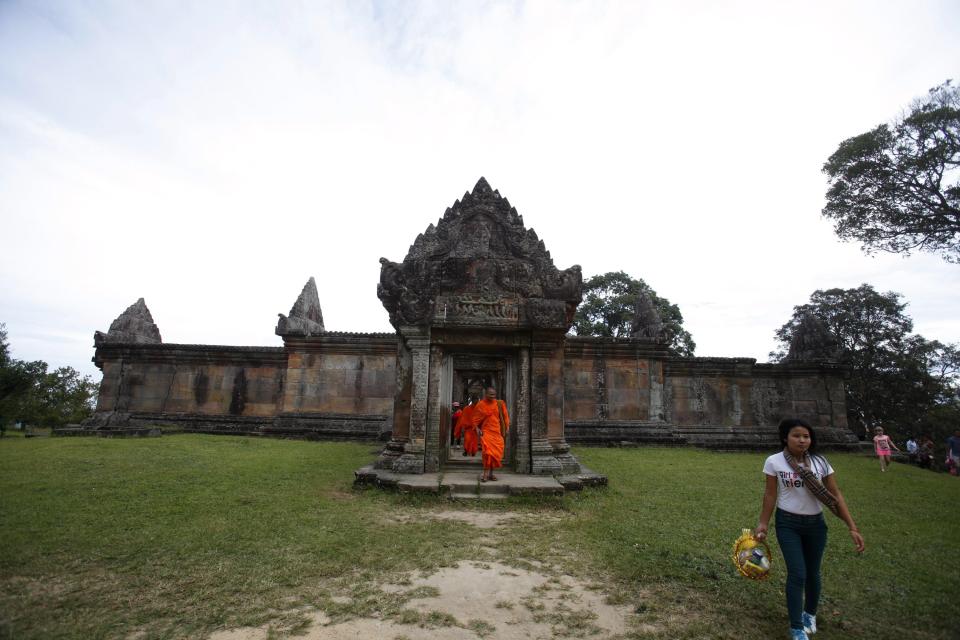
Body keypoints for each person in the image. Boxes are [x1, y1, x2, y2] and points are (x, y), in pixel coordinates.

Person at [755, 418, 864, 640]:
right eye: (796, 435)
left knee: (813, 573)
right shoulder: (774, 462)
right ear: (785, 437)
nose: (802, 440)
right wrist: (763, 523)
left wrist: (852, 526)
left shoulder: (820, 462)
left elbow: (835, 495)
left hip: (815, 525)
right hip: (788, 524)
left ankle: (809, 614)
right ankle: (796, 627)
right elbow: (770, 494)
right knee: (798, 573)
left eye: (806, 436)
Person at [469, 386, 510, 482]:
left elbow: (505, 416)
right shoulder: (481, 405)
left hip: (497, 432)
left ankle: (491, 474)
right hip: (486, 432)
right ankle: (485, 474)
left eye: (494, 394)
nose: (492, 396)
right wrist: (477, 428)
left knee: (495, 454)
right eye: (490, 394)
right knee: (487, 453)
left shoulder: (500, 404)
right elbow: (475, 419)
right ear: (486, 394)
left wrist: (507, 427)